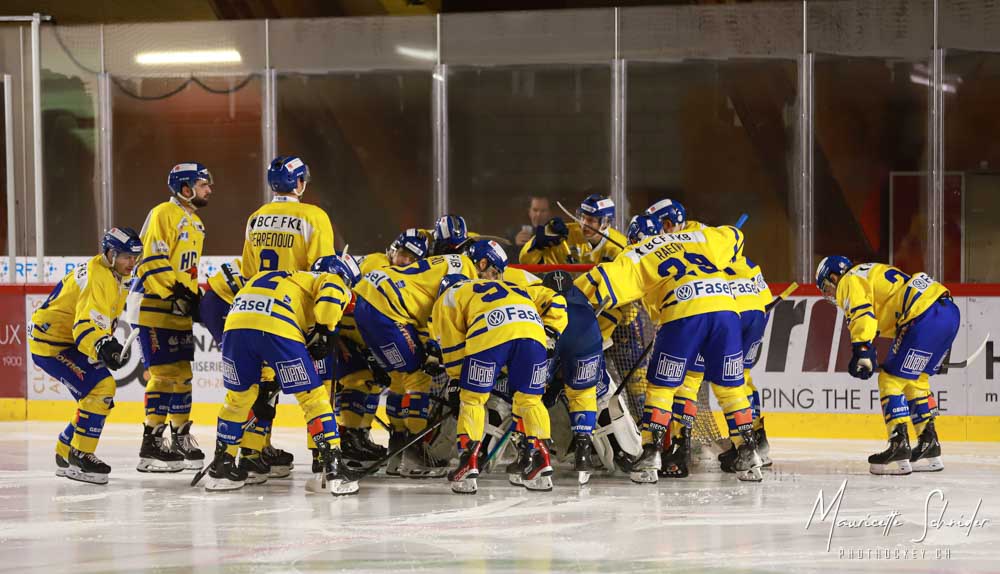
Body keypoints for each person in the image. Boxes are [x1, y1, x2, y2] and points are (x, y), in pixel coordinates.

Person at [575, 225, 764, 483]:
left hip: (682, 314)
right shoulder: (698, 237)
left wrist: (570, 298)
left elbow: (600, 283)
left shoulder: (637, 253)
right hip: (726, 312)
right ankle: (748, 451)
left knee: (662, 388)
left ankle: (651, 453)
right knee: (731, 387)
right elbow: (735, 236)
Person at [207, 254, 362, 494]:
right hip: (277, 324)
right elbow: (333, 290)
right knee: (312, 397)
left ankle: (222, 465)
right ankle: (333, 468)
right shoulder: (329, 278)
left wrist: (268, 380)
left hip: (235, 325)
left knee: (239, 398)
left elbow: (257, 325)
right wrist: (325, 327)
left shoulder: (284, 277)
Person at [235, 155, 336, 481]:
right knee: (315, 388)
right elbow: (326, 273)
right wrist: (324, 323)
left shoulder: (257, 217)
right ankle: (323, 455)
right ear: (300, 183)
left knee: (263, 386)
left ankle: (251, 453)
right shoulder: (313, 216)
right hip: (298, 315)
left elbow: (248, 272)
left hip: (260, 309)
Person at [816, 256, 958, 475]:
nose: (830, 294)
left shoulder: (849, 280)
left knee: (889, 378)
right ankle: (929, 444)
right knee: (916, 379)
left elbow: (862, 313)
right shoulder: (868, 271)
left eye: (826, 287)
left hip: (922, 314)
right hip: (947, 312)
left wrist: (862, 348)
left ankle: (898, 443)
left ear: (834, 276)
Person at [352, 249, 479, 477]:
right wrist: (433, 343)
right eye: (494, 271)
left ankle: (398, 446)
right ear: (483, 262)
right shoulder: (467, 272)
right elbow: (444, 301)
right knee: (419, 377)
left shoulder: (447, 263)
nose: (495, 278)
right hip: (388, 308)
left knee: (399, 379)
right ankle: (414, 453)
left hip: (367, 303)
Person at [30, 228, 142, 484]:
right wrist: (102, 344)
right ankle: (79, 455)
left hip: (65, 340)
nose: (132, 262)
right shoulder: (97, 277)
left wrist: (106, 342)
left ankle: (65, 450)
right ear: (111, 254)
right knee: (101, 388)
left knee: (95, 395)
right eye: (126, 256)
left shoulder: (114, 272)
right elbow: (84, 325)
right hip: (52, 345)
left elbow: (101, 316)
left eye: (135, 256)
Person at [431, 274, 554, 494]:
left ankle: (468, 464)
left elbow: (452, 344)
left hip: (490, 332)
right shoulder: (507, 283)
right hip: (535, 333)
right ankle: (540, 462)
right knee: (530, 401)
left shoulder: (448, 296)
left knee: (472, 399)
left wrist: (457, 378)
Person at [130, 162, 212, 472]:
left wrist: (192, 296)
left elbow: (185, 270)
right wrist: (174, 292)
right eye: (203, 184)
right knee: (163, 374)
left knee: (183, 374)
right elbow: (150, 259)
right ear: (186, 188)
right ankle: (150, 445)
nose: (209, 189)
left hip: (177, 308)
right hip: (154, 303)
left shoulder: (197, 223)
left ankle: (180, 436)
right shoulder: (163, 213)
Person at [519, 194, 626, 265]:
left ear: (606, 222)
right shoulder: (563, 233)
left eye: (591, 220)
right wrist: (537, 243)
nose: (584, 224)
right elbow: (524, 261)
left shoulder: (620, 245)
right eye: (582, 218)